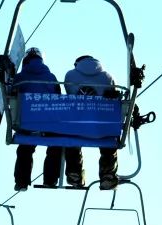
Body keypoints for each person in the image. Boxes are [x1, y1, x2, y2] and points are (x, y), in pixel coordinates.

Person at [10, 48, 64, 191]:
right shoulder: (51, 77)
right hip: (49, 123)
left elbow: (12, 95)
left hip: (26, 124)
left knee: (25, 149)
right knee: (56, 145)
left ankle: (21, 181)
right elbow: (58, 98)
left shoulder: (20, 78)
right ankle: (51, 179)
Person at [63, 55, 120, 190]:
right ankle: (107, 174)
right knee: (109, 139)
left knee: (71, 137)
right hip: (101, 126)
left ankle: (75, 173)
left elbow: (69, 93)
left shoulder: (70, 75)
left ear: (77, 63)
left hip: (77, 125)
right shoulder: (108, 77)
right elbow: (114, 95)